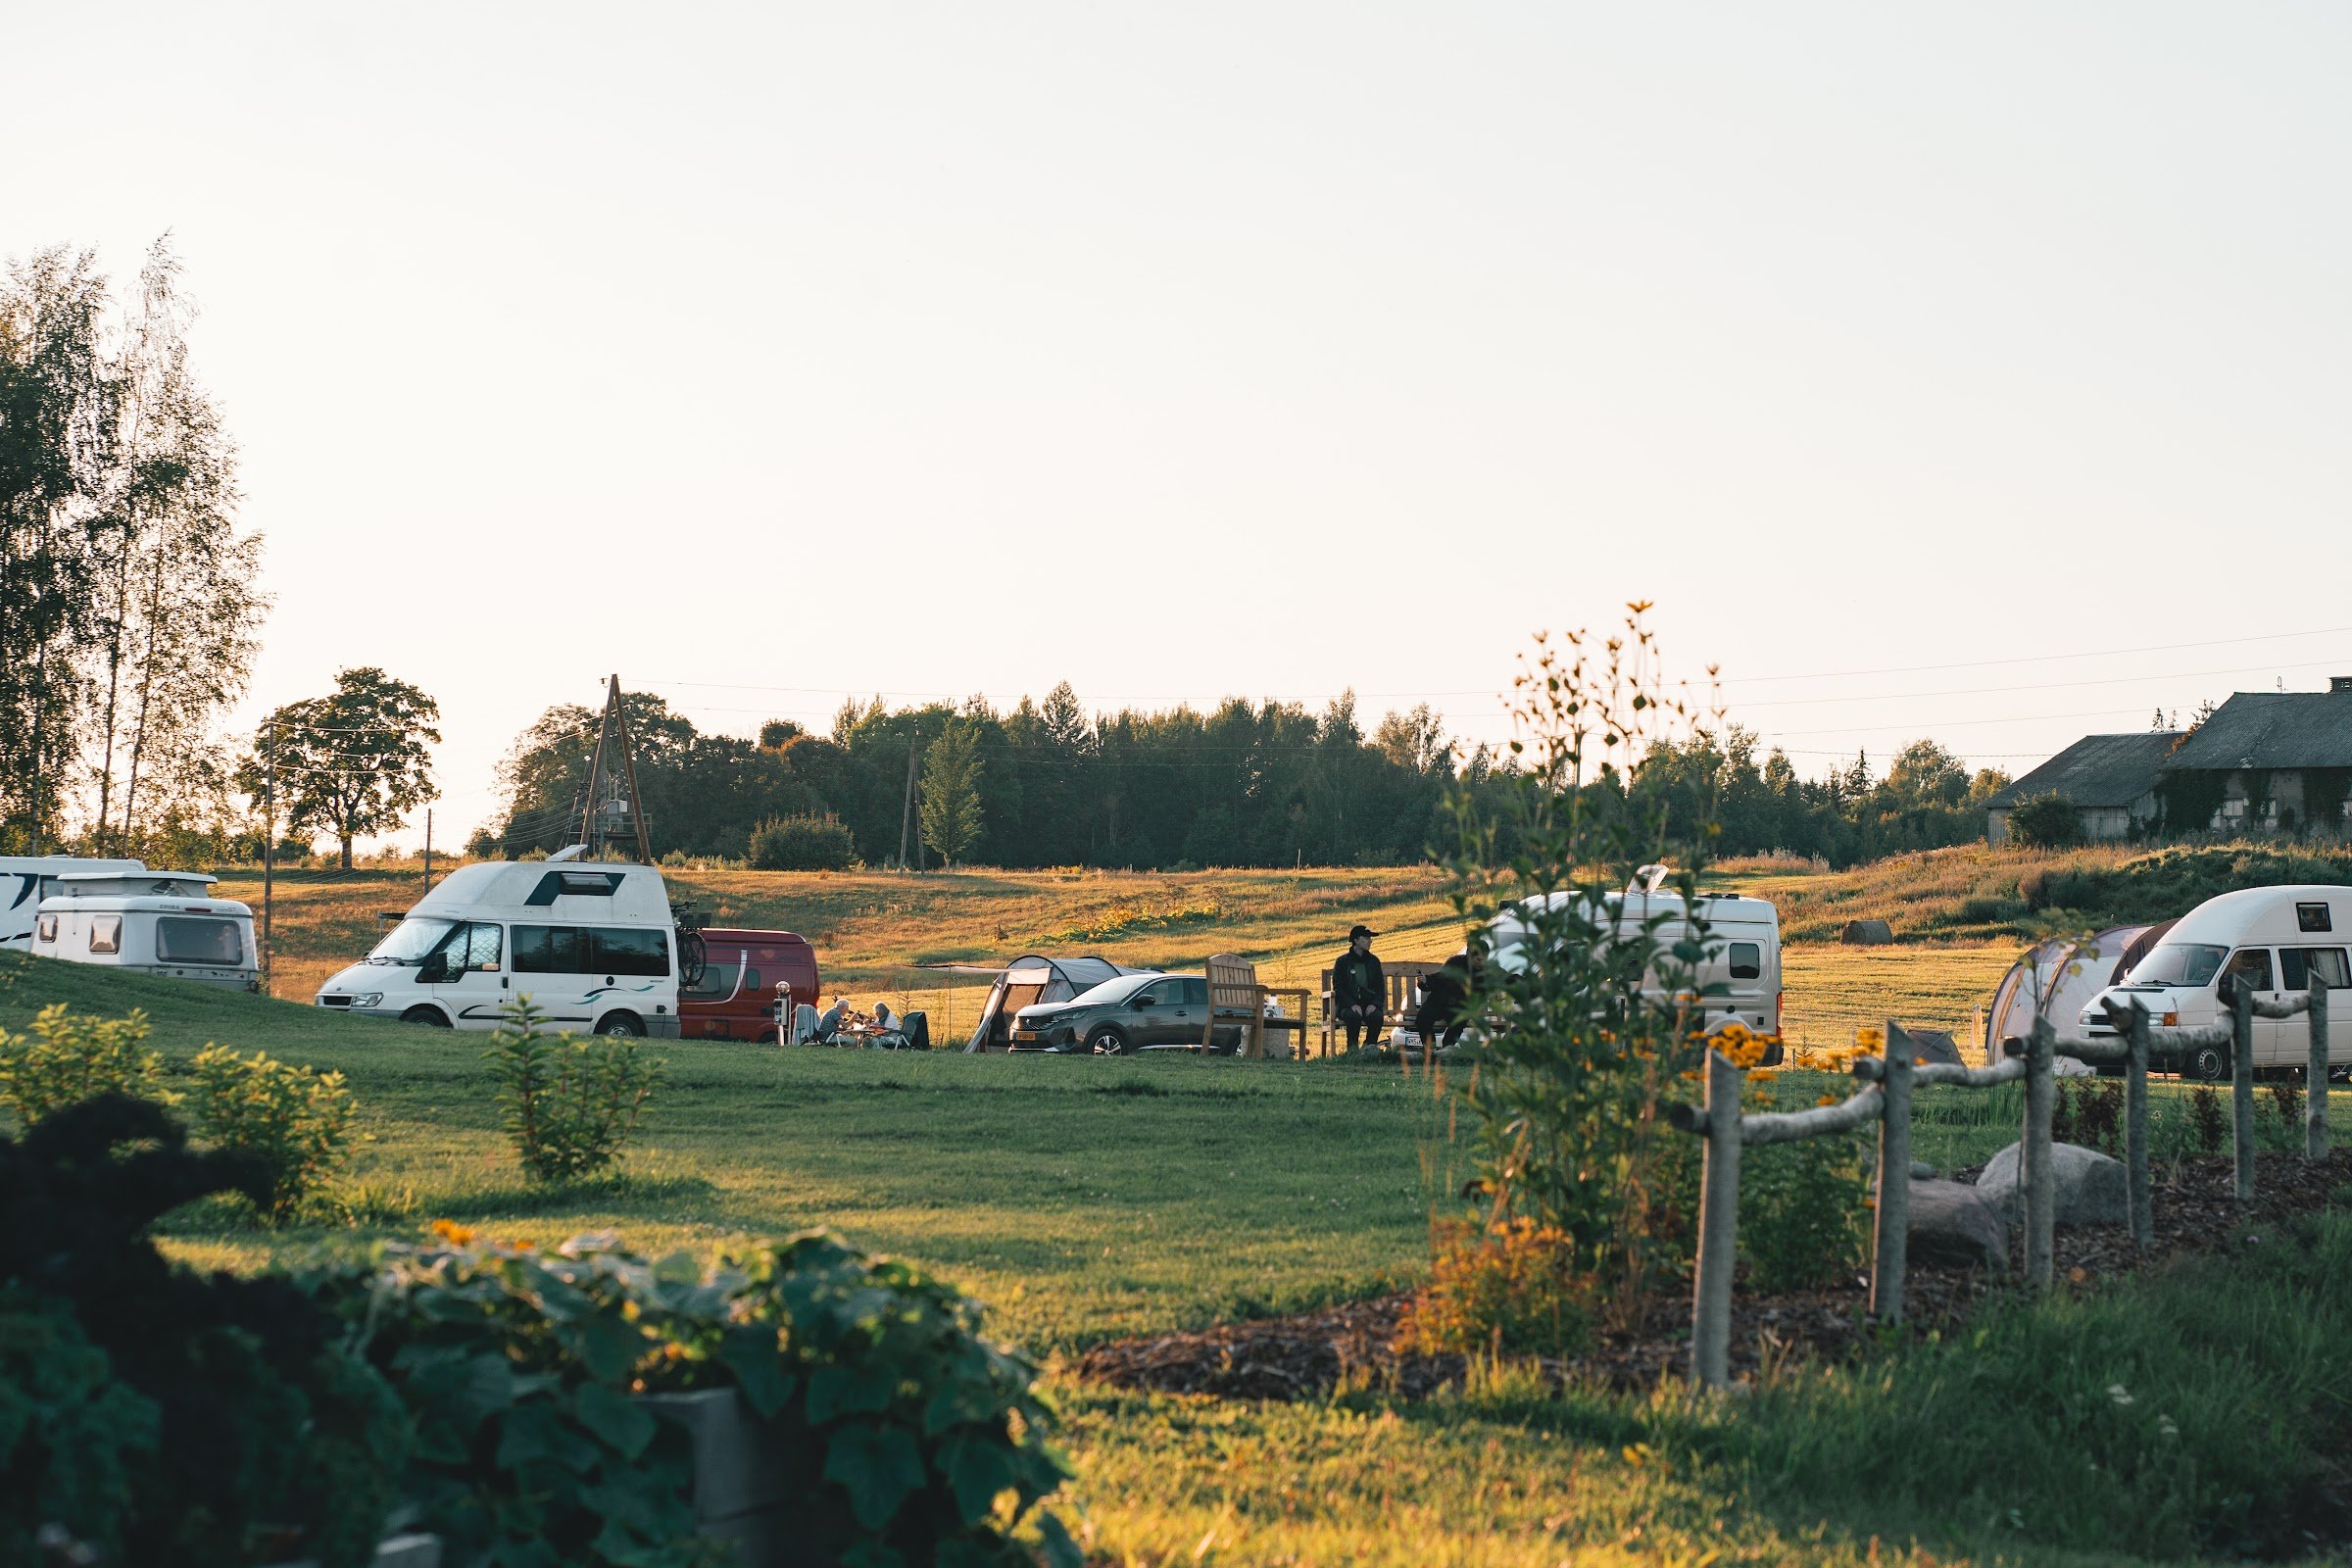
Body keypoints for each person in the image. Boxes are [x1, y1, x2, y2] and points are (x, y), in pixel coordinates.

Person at [1411, 949, 1480, 1054]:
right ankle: (1430, 1050)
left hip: (1459, 1007)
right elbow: (1439, 977)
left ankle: (1446, 1050)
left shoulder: (1486, 969)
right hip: (1438, 1000)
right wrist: (1425, 981)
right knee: (1423, 1018)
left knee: (1459, 1021)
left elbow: (1504, 977)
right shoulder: (1454, 961)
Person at [1332, 924, 1386, 1050]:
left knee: (1377, 1016)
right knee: (1353, 1016)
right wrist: (1351, 1004)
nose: (1370, 941)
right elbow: (1338, 987)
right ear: (1356, 940)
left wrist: (1374, 1004)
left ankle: (1369, 1047)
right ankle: (1353, 1049)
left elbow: (1380, 987)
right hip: (1347, 1005)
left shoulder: (1374, 961)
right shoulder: (1342, 962)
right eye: (1366, 938)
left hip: (1368, 1003)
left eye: (1370, 938)